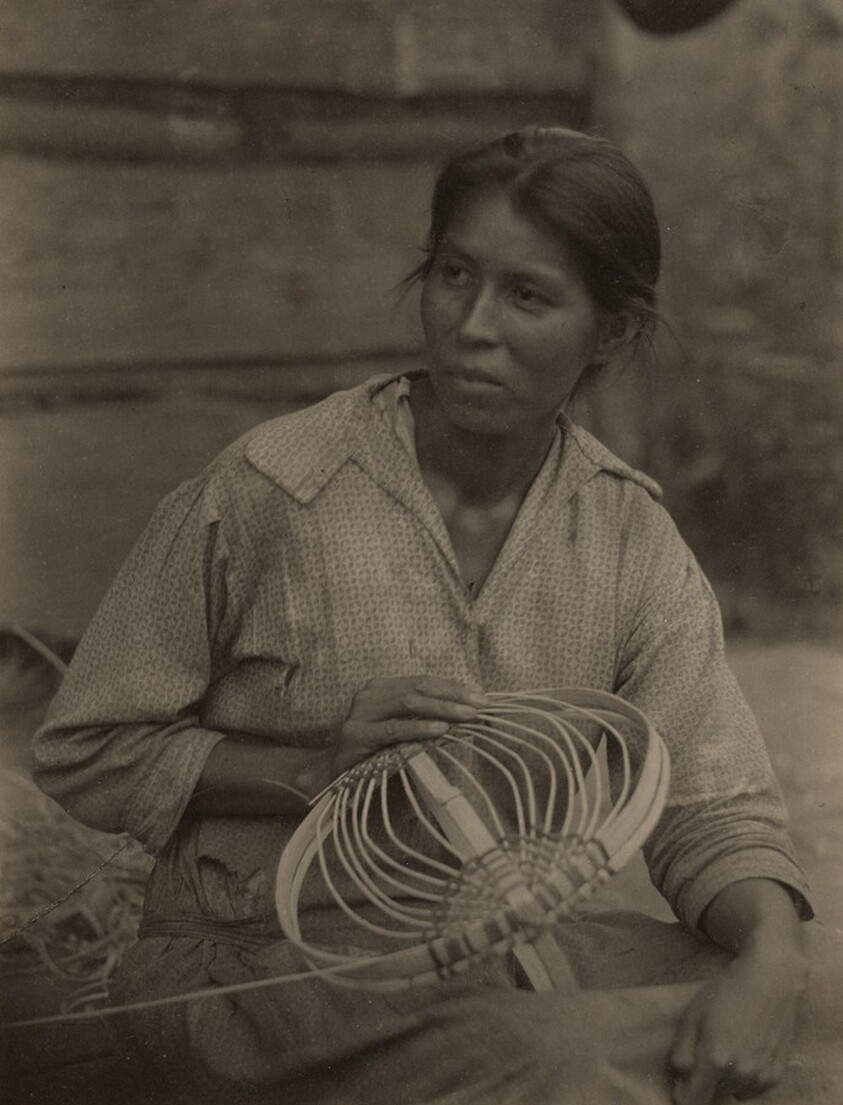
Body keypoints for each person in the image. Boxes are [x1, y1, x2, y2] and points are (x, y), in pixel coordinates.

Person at [32, 127, 837, 1105]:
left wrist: (771, 953)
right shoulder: (276, 489)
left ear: (612, 334)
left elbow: (710, 803)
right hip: (255, 969)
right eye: (455, 274)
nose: (472, 325)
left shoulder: (625, 532)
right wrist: (309, 765)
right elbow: (85, 748)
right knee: (562, 1066)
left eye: (527, 296)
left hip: (488, 960)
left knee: (810, 1020)